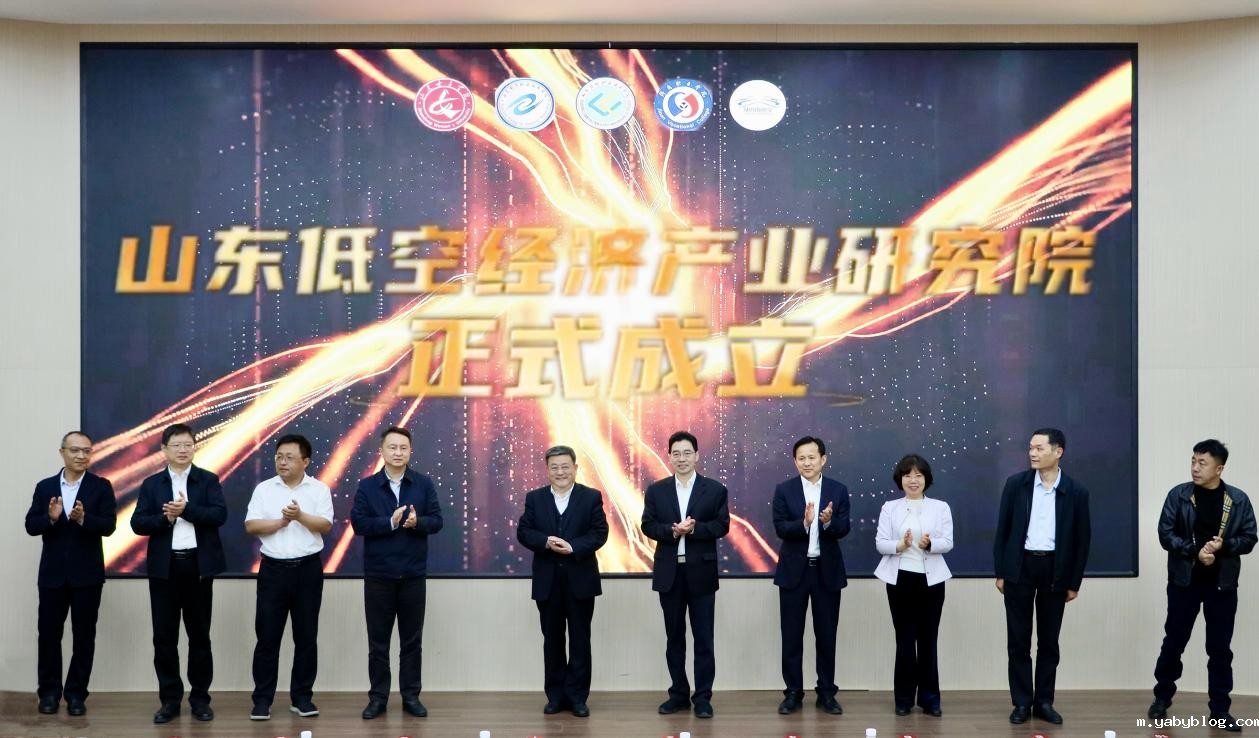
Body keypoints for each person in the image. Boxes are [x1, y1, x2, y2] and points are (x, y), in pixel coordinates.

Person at [1148, 439, 1256, 733]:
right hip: (1184, 581)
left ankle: (1220, 710)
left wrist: (1224, 546)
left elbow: (1250, 538)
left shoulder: (1238, 500)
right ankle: (1161, 698)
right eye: (1193, 461)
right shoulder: (1179, 495)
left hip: (1222, 584)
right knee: (1174, 641)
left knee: (1220, 649)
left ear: (1219, 469)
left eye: (1202, 463)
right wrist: (1196, 552)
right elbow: (1165, 534)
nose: (1195, 468)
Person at [130, 423, 228, 724]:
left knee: (199, 637)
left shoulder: (207, 480)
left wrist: (186, 510)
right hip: (165, 569)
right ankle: (169, 701)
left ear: (194, 447)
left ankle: (200, 700)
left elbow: (219, 515)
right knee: (164, 638)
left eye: (188, 444)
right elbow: (137, 523)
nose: (183, 450)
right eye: (177, 445)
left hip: (198, 567)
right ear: (164, 450)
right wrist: (166, 519)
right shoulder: (152, 484)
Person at [993, 427, 1090, 726]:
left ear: (1058, 452)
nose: (1032, 453)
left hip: (1055, 570)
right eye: (1030, 448)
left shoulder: (1076, 491)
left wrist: (1074, 582)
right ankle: (1022, 702)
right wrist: (1001, 571)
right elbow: (1002, 531)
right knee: (1018, 640)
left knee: (1049, 641)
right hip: (1020, 567)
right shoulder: (1016, 485)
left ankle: (1044, 701)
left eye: (1039, 448)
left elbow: (1082, 541)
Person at [350, 425, 443, 720]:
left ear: (411, 451)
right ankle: (378, 698)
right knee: (378, 643)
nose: (398, 452)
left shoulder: (423, 484)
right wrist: (389, 523)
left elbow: (437, 521)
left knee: (411, 642)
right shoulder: (367, 486)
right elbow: (359, 524)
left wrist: (418, 523)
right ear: (382, 451)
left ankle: (410, 697)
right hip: (379, 576)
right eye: (392, 447)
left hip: (413, 575)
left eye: (403, 448)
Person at [24, 431, 117, 716]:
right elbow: (31, 525)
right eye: (75, 450)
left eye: (86, 451)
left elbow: (109, 526)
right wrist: (50, 519)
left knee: (84, 637)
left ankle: (76, 695)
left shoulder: (101, 486)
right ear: (62, 452)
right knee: (48, 636)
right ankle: (49, 694)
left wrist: (84, 518)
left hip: (87, 576)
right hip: (52, 576)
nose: (81, 456)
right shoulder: (45, 487)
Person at [640, 430, 730, 719]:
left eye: (687, 453)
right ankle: (678, 694)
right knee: (674, 639)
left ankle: (702, 698)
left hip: (701, 574)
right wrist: (671, 531)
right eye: (676, 453)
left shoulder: (714, 490)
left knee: (704, 640)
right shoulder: (657, 490)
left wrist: (693, 530)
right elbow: (647, 525)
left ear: (697, 456)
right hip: (670, 573)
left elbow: (722, 525)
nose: (682, 458)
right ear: (669, 457)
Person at [244, 433, 334, 721]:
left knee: (306, 637)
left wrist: (299, 517)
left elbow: (325, 525)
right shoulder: (264, 489)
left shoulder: (318, 489)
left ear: (305, 461)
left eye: (289, 457)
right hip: (273, 571)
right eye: (279, 457)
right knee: (267, 638)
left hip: (308, 570)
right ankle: (262, 700)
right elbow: (251, 525)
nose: (282, 462)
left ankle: (302, 698)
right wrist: (281, 522)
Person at [516, 445, 609, 717]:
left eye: (565, 466)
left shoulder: (591, 497)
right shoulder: (535, 498)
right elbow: (524, 531)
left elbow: (599, 533)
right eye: (554, 467)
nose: (560, 472)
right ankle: (555, 696)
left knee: (580, 640)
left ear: (575, 468)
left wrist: (574, 547)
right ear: (547, 470)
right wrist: (545, 541)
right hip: (547, 583)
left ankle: (578, 697)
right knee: (552, 641)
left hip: (581, 581)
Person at [772, 435, 850, 717]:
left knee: (826, 635)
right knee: (791, 636)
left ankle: (826, 692)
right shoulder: (784, 490)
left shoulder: (838, 490)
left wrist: (828, 523)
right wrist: (804, 524)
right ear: (795, 461)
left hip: (826, 572)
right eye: (801, 458)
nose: (807, 463)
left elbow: (844, 528)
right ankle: (793, 692)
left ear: (823, 459)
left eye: (812, 457)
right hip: (794, 573)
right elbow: (780, 528)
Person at [874, 453, 953, 717]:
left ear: (926, 479)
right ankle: (904, 699)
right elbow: (880, 543)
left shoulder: (940, 507)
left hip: (932, 581)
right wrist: (901, 545)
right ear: (900, 479)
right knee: (905, 641)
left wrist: (930, 544)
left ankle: (930, 700)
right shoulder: (890, 508)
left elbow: (948, 542)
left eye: (918, 475)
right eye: (907, 475)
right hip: (900, 580)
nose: (913, 480)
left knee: (928, 640)